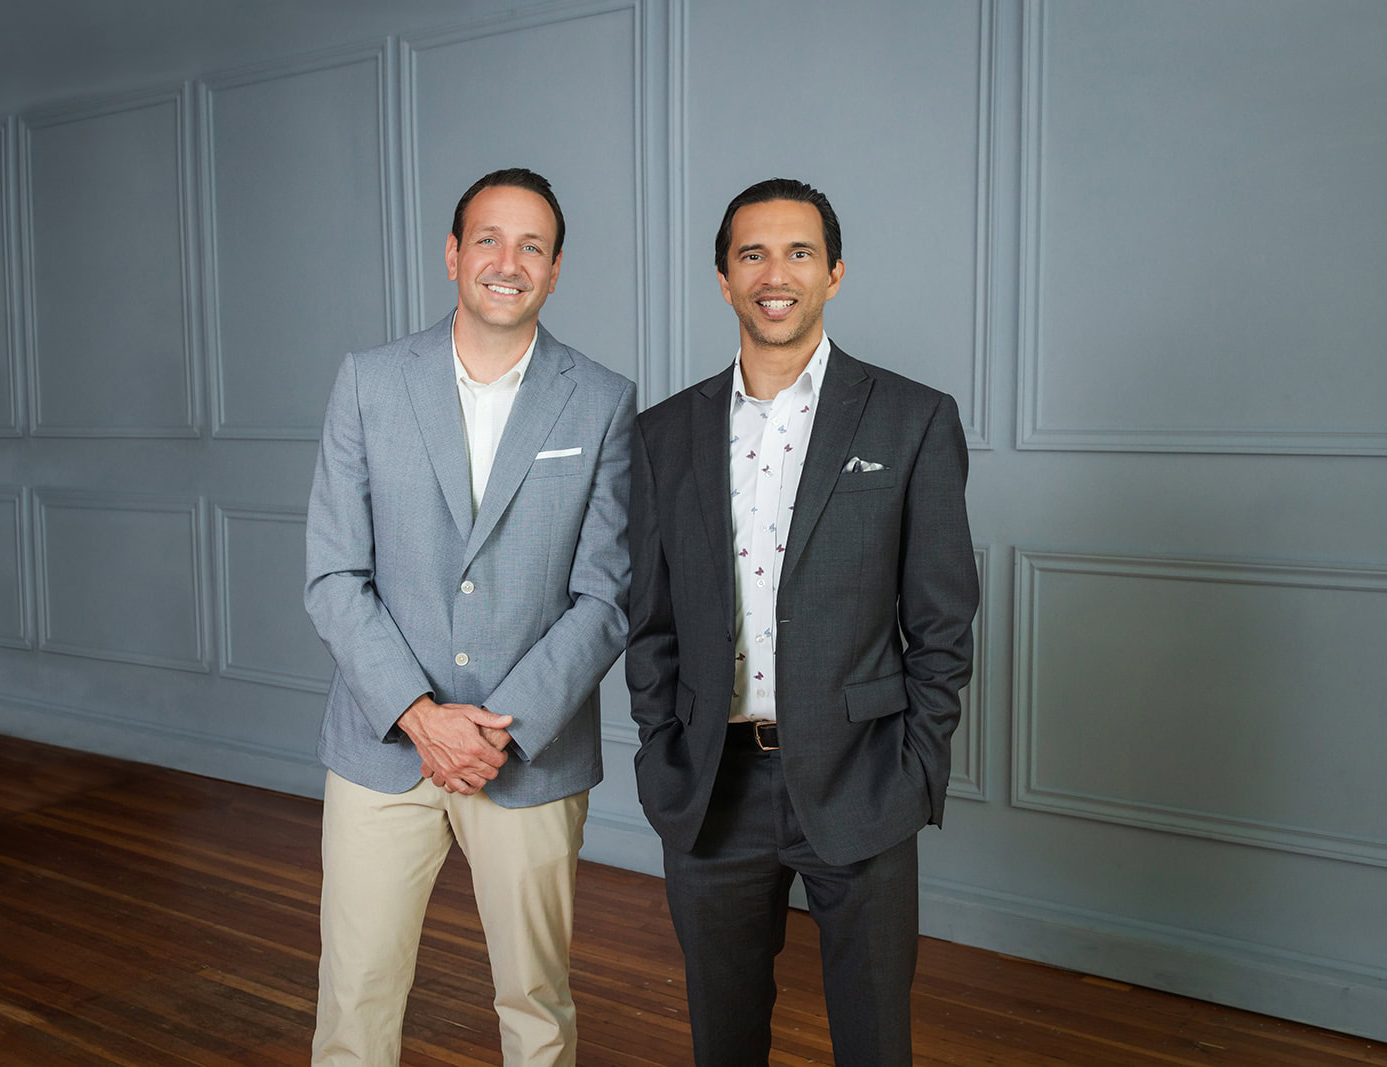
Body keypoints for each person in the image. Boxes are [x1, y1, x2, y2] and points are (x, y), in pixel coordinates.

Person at [625, 177, 978, 1065]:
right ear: (723, 278)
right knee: (725, 1040)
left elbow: (942, 619)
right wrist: (661, 740)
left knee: (872, 1043)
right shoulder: (664, 433)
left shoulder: (912, 417)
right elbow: (650, 618)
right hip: (712, 787)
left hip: (865, 780)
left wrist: (918, 767)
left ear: (834, 272)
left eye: (798, 252)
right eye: (752, 253)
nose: (774, 273)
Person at [303, 167, 635, 1066]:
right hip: (382, 746)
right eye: (488, 238)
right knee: (356, 994)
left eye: (533, 246)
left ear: (557, 269)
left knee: (535, 1002)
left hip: (527, 752)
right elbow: (334, 574)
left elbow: (605, 598)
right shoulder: (369, 382)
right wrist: (422, 717)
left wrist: (493, 730)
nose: (507, 261)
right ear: (453, 254)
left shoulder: (602, 400)